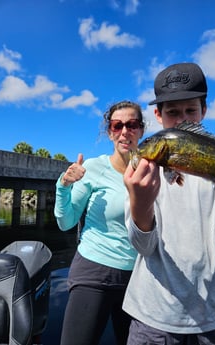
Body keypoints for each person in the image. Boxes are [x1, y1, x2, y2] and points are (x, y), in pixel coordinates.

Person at [122, 63, 215, 345]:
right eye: (172, 112)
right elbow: (142, 246)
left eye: (190, 111)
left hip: (211, 319)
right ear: (158, 115)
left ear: (203, 111)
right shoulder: (142, 176)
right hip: (151, 319)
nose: (182, 120)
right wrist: (139, 204)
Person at [54, 100, 145, 345]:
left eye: (132, 124)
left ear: (142, 130)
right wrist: (63, 186)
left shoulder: (151, 171)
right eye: (117, 125)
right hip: (93, 273)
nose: (125, 131)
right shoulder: (94, 168)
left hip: (139, 278)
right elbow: (66, 222)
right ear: (110, 132)